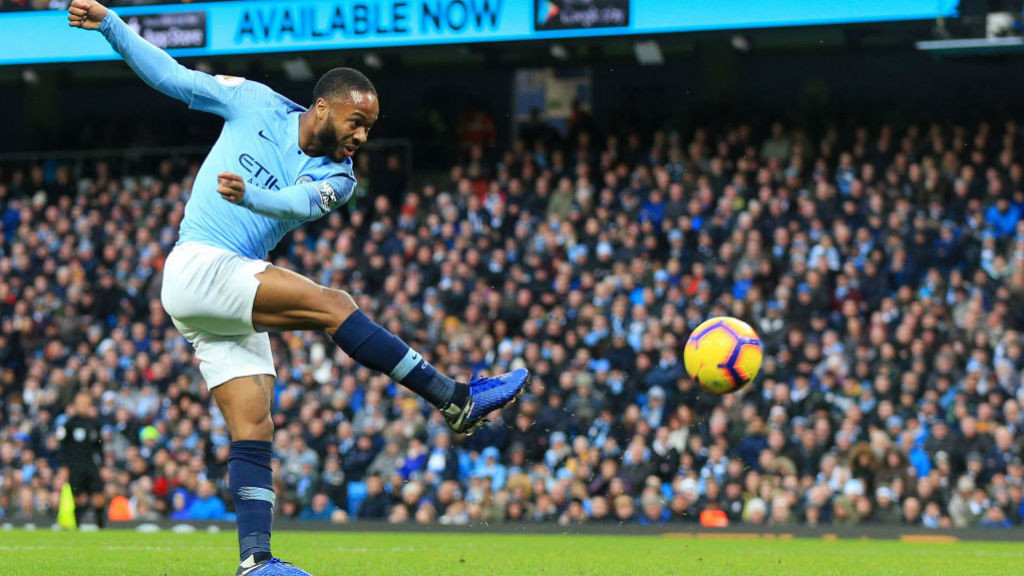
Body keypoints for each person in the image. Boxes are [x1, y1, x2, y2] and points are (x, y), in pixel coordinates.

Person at [67, 2, 529, 575]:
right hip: (198, 263)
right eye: (355, 122)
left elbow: (294, 202)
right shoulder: (253, 101)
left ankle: (254, 561)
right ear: (322, 108)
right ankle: (453, 399)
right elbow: (174, 78)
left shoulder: (340, 177)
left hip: (222, 292)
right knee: (335, 306)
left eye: (370, 127)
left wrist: (252, 196)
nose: (362, 135)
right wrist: (113, 25)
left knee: (255, 423)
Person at [57, 392, 107, 528]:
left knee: (99, 497)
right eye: (81, 403)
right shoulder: (69, 424)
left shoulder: (95, 423)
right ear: (75, 405)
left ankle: (100, 526)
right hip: (75, 466)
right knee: (77, 498)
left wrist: (103, 466)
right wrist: (64, 467)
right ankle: (77, 525)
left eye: (86, 403)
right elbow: (63, 447)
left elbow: (100, 447)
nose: (84, 406)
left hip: (91, 465)